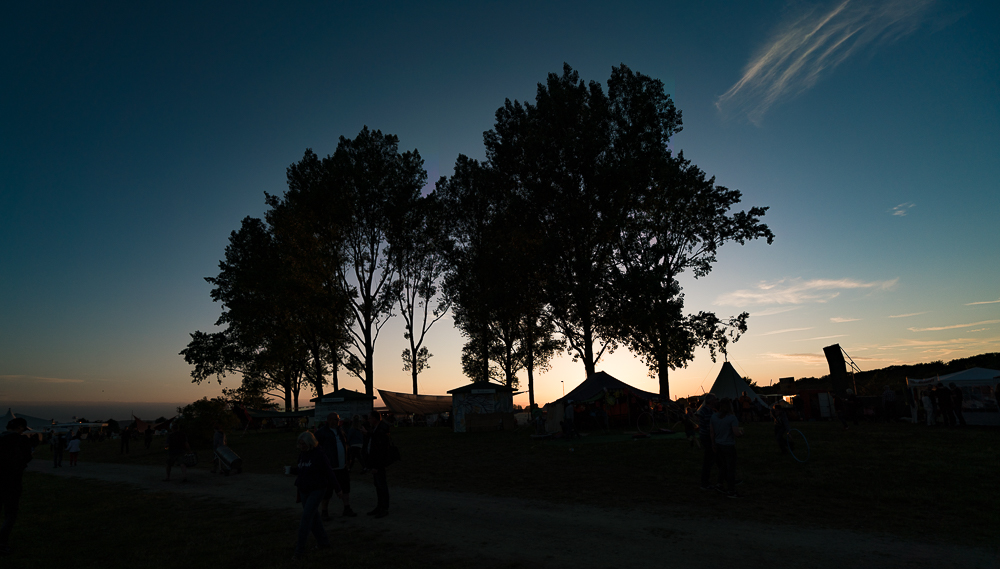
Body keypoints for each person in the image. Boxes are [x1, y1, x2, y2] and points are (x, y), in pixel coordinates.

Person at [291, 431, 341, 559]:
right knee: (313, 517)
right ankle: (323, 542)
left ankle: (299, 551)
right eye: (300, 444)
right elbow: (302, 469)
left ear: (310, 443)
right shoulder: (302, 454)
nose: (301, 446)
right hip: (304, 490)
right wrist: (292, 470)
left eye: (304, 444)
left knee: (306, 518)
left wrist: (338, 489)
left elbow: (329, 472)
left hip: (317, 489)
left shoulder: (319, 455)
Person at [0, 418, 34, 556]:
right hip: (12, 482)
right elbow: (26, 458)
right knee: (10, 514)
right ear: (20, 427)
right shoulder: (21, 440)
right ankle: (1, 543)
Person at [315, 413, 357, 520]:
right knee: (327, 491)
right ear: (329, 420)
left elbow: (346, 445)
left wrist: (348, 459)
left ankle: (347, 508)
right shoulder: (321, 433)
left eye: (338, 419)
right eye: (335, 419)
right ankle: (324, 512)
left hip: (342, 467)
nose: (337, 421)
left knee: (345, 488)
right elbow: (316, 448)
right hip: (329, 468)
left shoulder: (340, 431)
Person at [710, 397, 743, 498]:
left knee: (723, 466)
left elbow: (712, 432)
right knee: (730, 468)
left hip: (718, 444)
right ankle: (731, 490)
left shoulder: (714, 417)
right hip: (728, 445)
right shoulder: (732, 418)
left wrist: (713, 444)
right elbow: (736, 433)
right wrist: (741, 433)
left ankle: (719, 484)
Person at [364, 410, 391, 518]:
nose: (368, 420)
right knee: (379, 486)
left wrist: (376, 466)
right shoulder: (377, 429)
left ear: (375, 418)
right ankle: (380, 506)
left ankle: (383, 508)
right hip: (376, 463)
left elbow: (380, 450)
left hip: (378, 464)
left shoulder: (380, 430)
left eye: (370, 418)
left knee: (381, 486)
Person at [696, 394, 719, 490]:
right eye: (715, 400)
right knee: (709, 459)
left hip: (706, 436)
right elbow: (709, 427)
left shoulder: (706, 410)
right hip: (707, 437)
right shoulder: (707, 411)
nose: (716, 401)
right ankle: (705, 483)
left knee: (711, 459)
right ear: (711, 401)